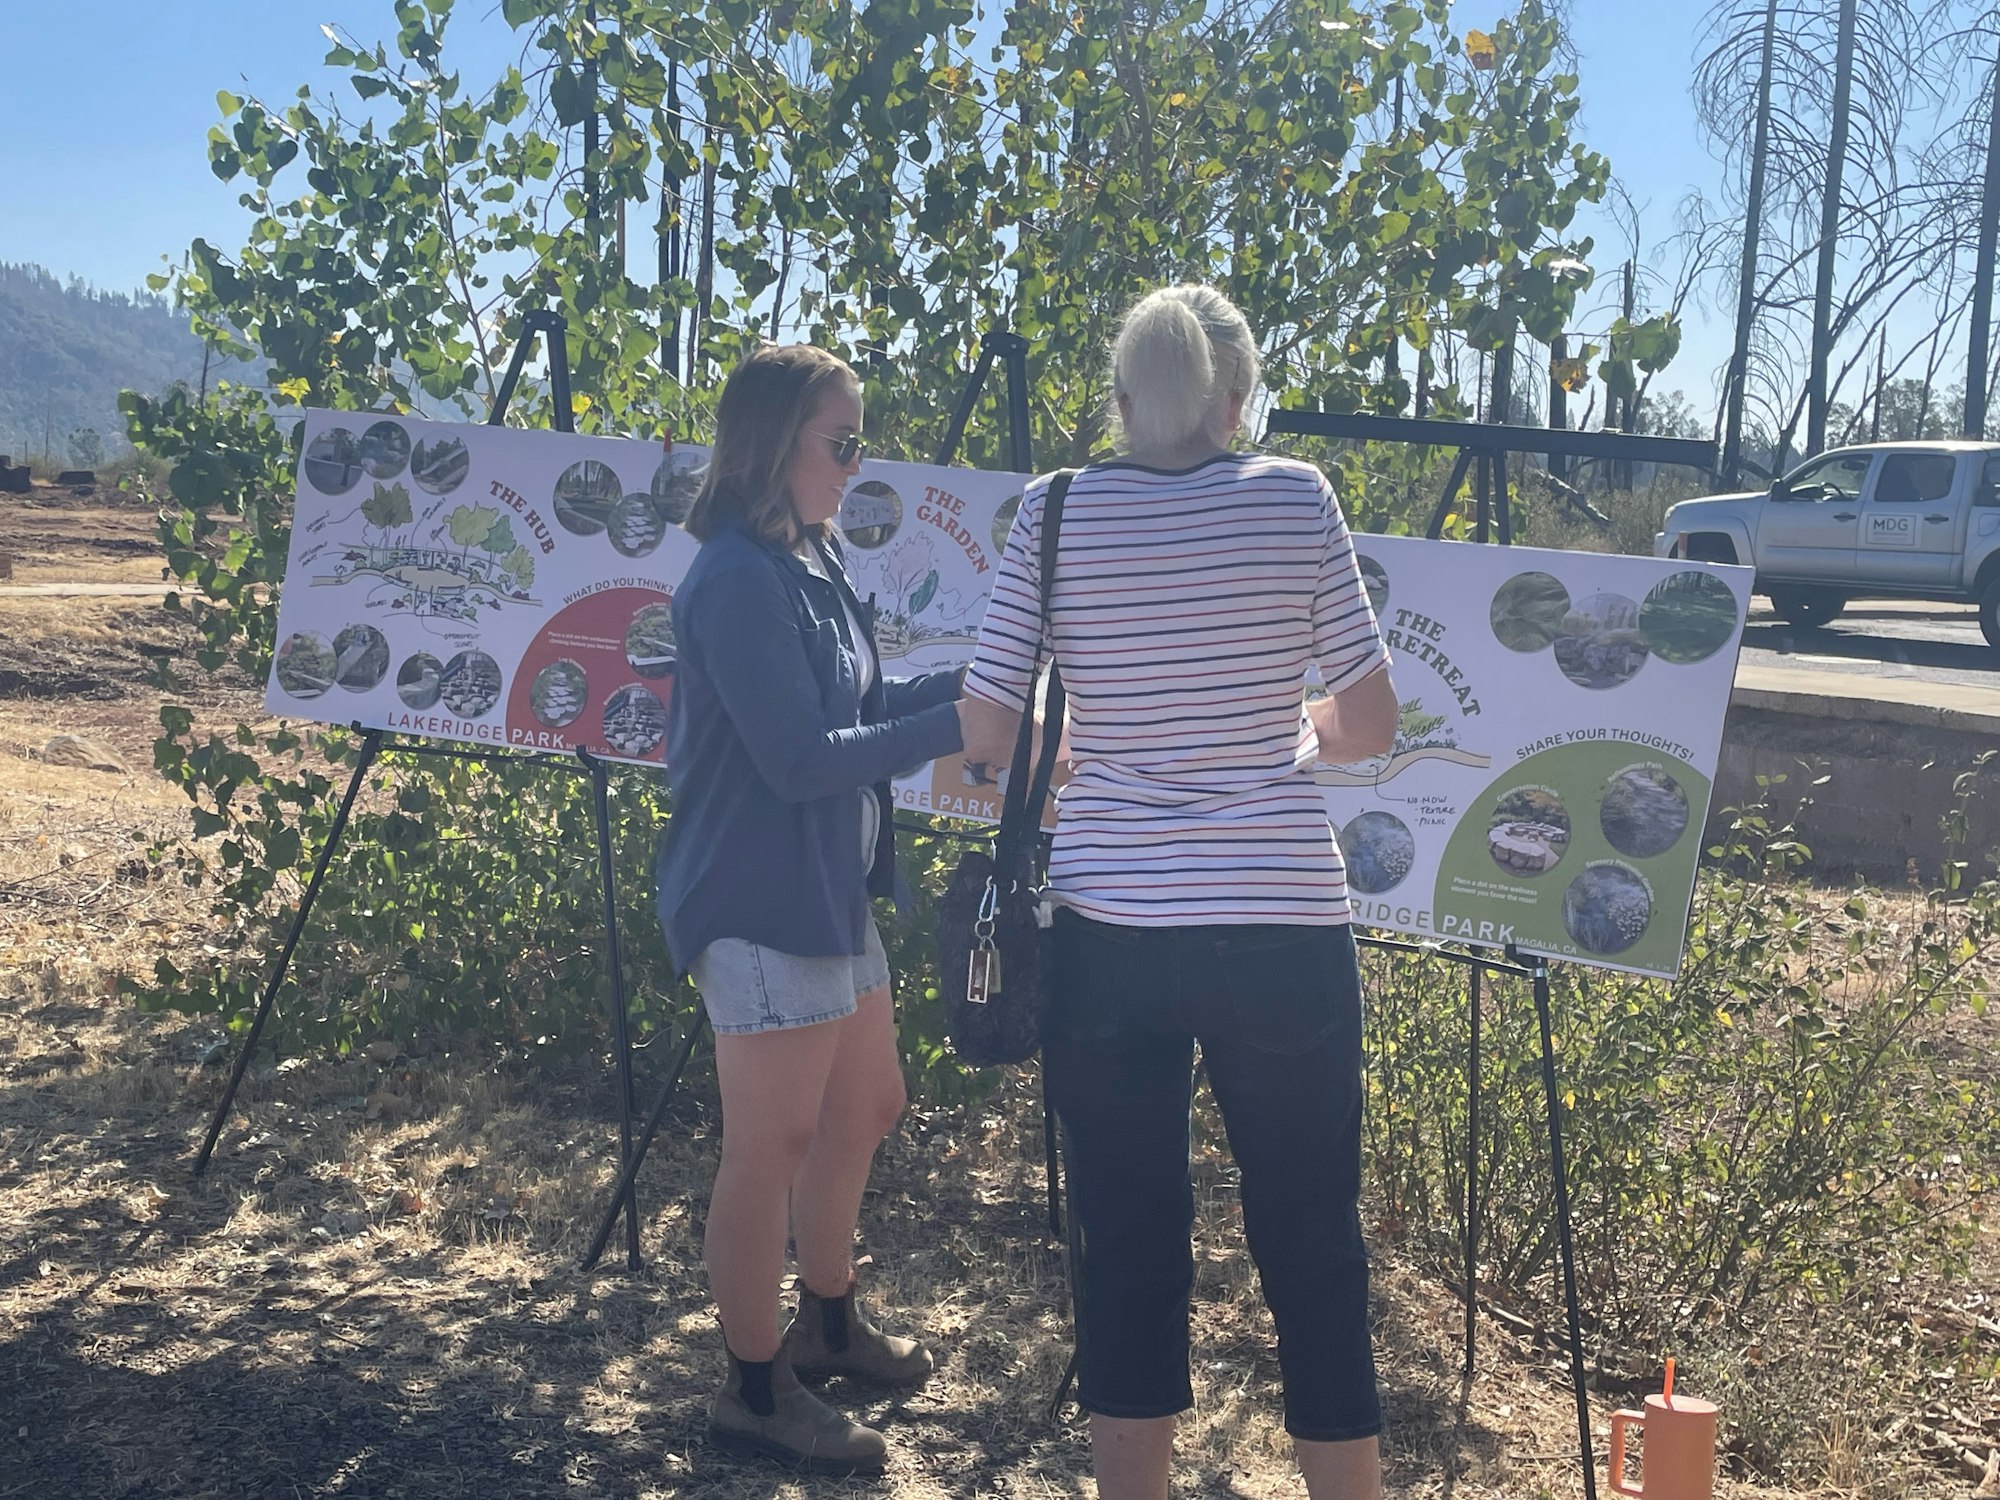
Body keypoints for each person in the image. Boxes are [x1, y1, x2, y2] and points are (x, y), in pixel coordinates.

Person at [959, 285, 1400, 1500]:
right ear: (1234, 398)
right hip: (1279, 921)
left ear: (1120, 399)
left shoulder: (1053, 510)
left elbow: (986, 731)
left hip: (1108, 928)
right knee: (1311, 1234)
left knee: (1125, 1234)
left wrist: (1094, 754)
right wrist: (1289, 733)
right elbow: (1368, 721)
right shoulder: (1296, 497)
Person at [655, 342, 970, 1475]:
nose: (856, 464)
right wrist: (961, 728)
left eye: (858, 442)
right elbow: (797, 759)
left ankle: (828, 1323)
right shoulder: (738, 578)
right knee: (771, 1142)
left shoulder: (814, 555)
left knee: (867, 1103)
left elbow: (869, 703)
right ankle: (753, 1390)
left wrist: (980, 688)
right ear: (773, 443)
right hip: (758, 893)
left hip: (827, 886)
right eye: (842, 443)